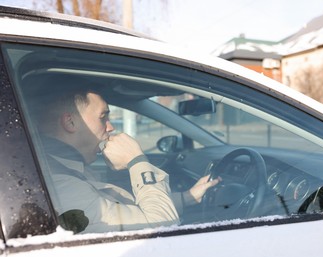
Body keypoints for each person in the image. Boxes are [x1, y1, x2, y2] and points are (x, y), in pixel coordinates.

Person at [29, 75, 219, 233]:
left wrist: (188, 197)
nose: (110, 127)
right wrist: (137, 161)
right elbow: (162, 229)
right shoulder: (62, 187)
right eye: (103, 117)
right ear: (70, 122)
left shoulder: (64, 169)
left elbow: (125, 214)